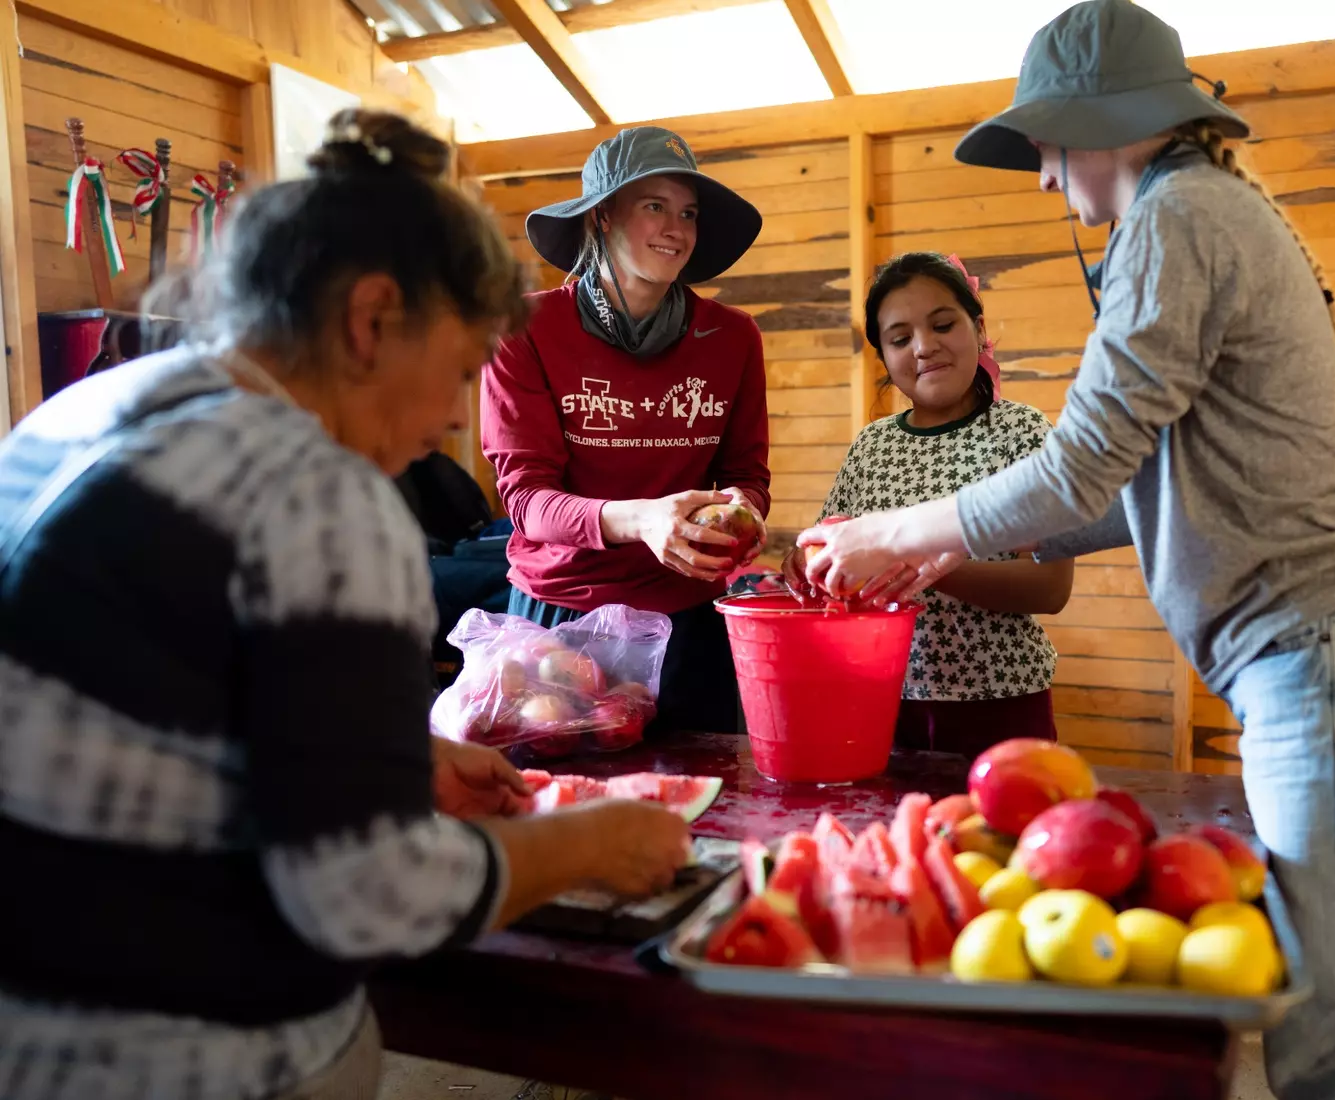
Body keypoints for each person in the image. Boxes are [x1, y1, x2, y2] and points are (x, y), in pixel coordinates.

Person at [799, 5, 1335, 1098]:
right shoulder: (1200, 209)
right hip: (1329, 660)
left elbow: (1079, 465)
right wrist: (939, 551)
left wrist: (889, 530)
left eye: (1044, 148)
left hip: (1327, 661)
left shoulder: (1177, 217)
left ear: (1101, 123)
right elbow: (1135, 489)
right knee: (1328, 1012)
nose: (1041, 178)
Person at [0, 110, 688, 1100]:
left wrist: (385, 758)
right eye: (458, 369)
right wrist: (585, 842)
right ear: (371, 319)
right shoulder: (320, 492)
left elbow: (138, 723)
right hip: (198, 1059)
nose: (451, 418)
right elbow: (370, 899)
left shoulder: (81, 412)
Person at [483, 125, 770, 736]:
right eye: (654, 206)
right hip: (562, 616)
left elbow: (747, 475)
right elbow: (527, 500)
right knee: (562, 794)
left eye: (688, 213)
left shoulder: (733, 337)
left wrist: (742, 508)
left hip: (688, 618)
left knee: (701, 790)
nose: (677, 229)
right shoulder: (524, 328)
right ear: (602, 217)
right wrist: (644, 520)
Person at [818, 252, 1072, 756]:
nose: (923, 346)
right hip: (882, 700)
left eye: (942, 325)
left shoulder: (1022, 433)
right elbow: (829, 552)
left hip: (1001, 701)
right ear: (884, 358)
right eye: (899, 339)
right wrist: (807, 563)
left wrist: (920, 567)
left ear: (978, 329)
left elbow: (1050, 588)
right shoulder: (871, 447)